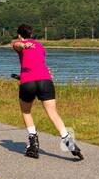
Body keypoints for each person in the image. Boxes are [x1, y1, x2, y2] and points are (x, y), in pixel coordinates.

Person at [11, 23, 82, 160]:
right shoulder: (40, 46)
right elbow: (37, 63)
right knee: (53, 113)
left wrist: (22, 45)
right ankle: (68, 141)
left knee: (26, 111)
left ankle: (33, 143)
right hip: (45, 81)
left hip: (28, 82)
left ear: (19, 35)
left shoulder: (19, 44)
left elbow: (15, 44)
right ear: (31, 34)